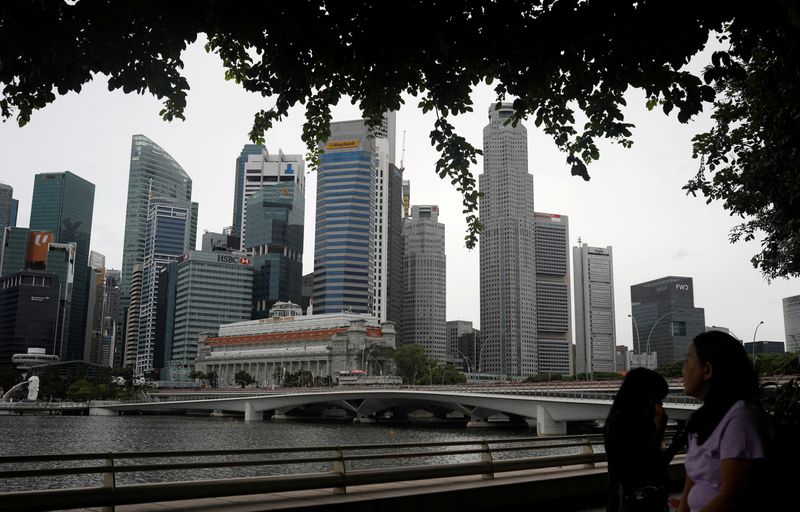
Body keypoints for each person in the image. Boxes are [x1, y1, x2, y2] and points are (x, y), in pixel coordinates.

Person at [678, 330, 769, 512]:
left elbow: (733, 495)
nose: (683, 370)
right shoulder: (702, 419)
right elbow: (693, 478)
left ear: (707, 370)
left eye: (688, 361)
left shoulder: (740, 418)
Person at [604, 367, 670, 512]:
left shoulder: (631, 419)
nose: (660, 405)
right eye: (657, 398)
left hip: (646, 498)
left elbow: (655, 460)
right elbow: (636, 463)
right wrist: (657, 429)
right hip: (630, 501)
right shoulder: (621, 422)